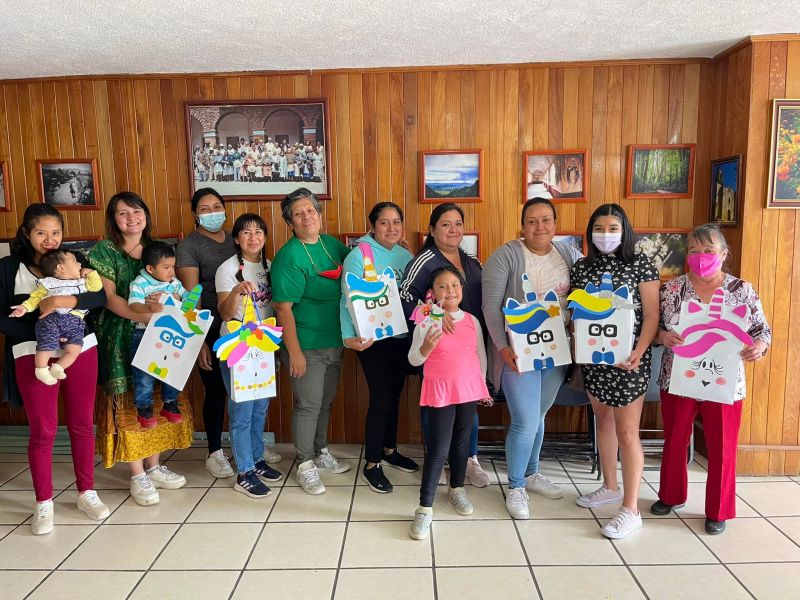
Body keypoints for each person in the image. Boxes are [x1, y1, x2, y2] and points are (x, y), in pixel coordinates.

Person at [651, 224, 771, 534]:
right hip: (677, 378)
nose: (701, 257)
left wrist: (759, 347)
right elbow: (655, 332)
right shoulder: (671, 290)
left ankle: (718, 510)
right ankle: (671, 495)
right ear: (686, 255)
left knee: (722, 447)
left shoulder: (741, 290)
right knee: (675, 441)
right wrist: (664, 337)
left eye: (708, 251)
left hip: (725, 382)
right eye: (694, 251)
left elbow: (762, 332)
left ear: (723, 254)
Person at [0, 204, 110, 535]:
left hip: (81, 350)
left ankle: (86, 491)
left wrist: (63, 304)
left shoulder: (75, 261)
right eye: (41, 233)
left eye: (56, 232)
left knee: (81, 423)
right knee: (43, 430)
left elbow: (100, 296)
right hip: (31, 354)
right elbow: (2, 318)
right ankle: (43, 502)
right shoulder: (9, 268)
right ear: (26, 234)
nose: (50, 240)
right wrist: (42, 328)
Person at [482, 197, 583, 519]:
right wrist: (503, 349)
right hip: (517, 352)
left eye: (546, 220)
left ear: (555, 223)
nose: (540, 227)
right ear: (522, 225)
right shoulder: (506, 256)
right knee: (524, 421)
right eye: (532, 221)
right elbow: (491, 307)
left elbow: (585, 293)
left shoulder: (568, 253)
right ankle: (515, 487)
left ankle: (532, 472)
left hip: (557, 350)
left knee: (538, 417)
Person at [89, 191, 189, 506]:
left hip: (161, 334)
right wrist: (142, 314)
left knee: (157, 395)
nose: (132, 218)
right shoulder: (104, 251)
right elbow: (109, 297)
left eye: (137, 211)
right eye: (123, 213)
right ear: (113, 218)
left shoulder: (157, 250)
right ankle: (137, 473)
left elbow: (179, 294)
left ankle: (155, 465)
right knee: (130, 399)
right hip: (120, 335)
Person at [569, 203, 660, 539]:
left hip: (628, 361)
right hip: (596, 360)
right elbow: (576, 312)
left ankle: (631, 508)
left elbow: (651, 314)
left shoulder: (640, 263)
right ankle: (609, 486)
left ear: (624, 231)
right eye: (599, 228)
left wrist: (638, 351)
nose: (605, 234)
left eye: (612, 228)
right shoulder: (582, 267)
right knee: (603, 420)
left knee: (627, 432)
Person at [177, 188, 269, 479]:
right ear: (195, 214)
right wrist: (200, 340)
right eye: (204, 209)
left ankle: (253, 454)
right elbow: (193, 296)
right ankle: (219, 452)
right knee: (223, 395)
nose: (212, 212)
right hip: (220, 332)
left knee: (256, 406)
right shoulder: (191, 246)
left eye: (217, 206)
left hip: (260, 340)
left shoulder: (246, 249)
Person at [399, 203, 490, 487]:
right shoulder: (423, 260)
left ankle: (468, 458)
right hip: (436, 348)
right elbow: (404, 297)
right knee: (437, 404)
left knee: (468, 402)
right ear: (432, 229)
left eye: (458, 224)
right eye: (446, 224)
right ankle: (439, 458)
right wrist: (436, 314)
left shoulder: (471, 259)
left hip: (468, 344)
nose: (454, 230)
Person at [272, 188, 351, 495]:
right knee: (308, 404)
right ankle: (304, 463)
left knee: (326, 401)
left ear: (320, 214)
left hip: (335, 341)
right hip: (304, 343)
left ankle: (320, 452)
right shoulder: (289, 257)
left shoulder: (332, 246)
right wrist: (294, 353)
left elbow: (359, 270)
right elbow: (283, 309)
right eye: (298, 213)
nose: (307, 217)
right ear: (290, 222)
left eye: (311, 211)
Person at [339, 201, 418, 494]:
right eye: (384, 222)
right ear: (373, 225)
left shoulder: (405, 253)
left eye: (396, 222)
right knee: (381, 399)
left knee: (395, 397)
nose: (391, 228)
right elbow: (346, 300)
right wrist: (349, 337)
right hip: (372, 340)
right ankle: (372, 464)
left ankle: (389, 449)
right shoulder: (360, 255)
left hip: (400, 338)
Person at [408, 266, 490, 540]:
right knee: (438, 447)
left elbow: (479, 353)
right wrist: (425, 349)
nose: (450, 291)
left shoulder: (472, 320)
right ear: (432, 293)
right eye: (443, 286)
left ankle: (457, 489)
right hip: (440, 390)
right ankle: (424, 508)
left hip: (468, 388)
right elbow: (413, 360)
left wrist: (483, 384)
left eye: (455, 285)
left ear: (462, 290)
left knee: (462, 443)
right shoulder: (426, 318)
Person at [216, 213, 283, 498]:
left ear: (265, 237)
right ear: (236, 239)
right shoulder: (228, 268)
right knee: (242, 412)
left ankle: (256, 461)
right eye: (246, 233)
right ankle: (243, 471)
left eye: (259, 232)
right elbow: (225, 313)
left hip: (264, 347)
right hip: (237, 348)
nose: (253, 237)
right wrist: (236, 292)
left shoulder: (270, 266)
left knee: (260, 410)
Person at [10, 249, 102, 385]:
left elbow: (97, 288)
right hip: (52, 319)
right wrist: (24, 308)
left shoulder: (82, 282)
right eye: (75, 261)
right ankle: (41, 369)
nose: (79, 264)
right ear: (61, 267)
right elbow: (35, 298)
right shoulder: (48, 283)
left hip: (76, 323)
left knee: (75, 348)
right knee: (46, 345)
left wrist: (92, 274)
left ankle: (58, 367)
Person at [128, 241, 190, 428]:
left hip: (170, 334)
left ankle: (170, 404)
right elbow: (133, 304)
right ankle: (144, 408)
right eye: (166, 267)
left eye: (173, 266)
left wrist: (177, 299)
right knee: (144, 373)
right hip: (143, 334)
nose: (171, 271)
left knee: (172, 370)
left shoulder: (174, 283)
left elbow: (188, 302)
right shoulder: (140, 283)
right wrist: (149, 306)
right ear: (150, 268)